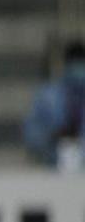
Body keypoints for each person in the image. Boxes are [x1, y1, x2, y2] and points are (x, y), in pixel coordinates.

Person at [23, 40, 85, 169]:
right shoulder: (47, 95)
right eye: (74, 62)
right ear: (66, 64)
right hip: (54, 168)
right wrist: (52, 135)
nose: (77, 68)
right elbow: (31, 133)